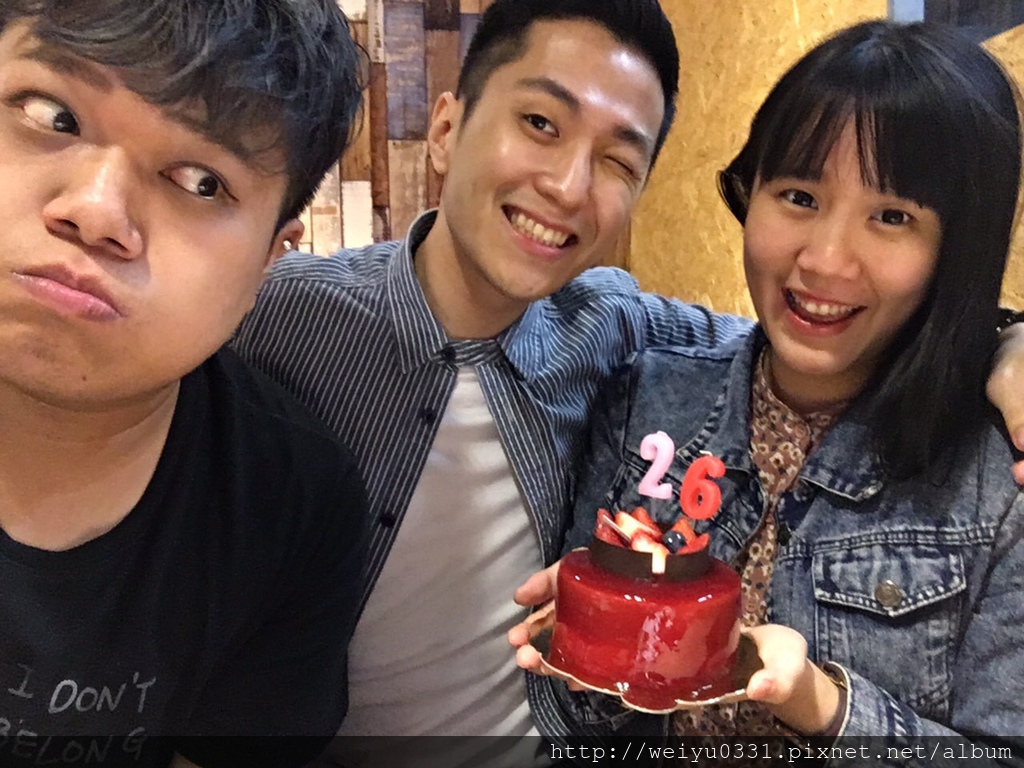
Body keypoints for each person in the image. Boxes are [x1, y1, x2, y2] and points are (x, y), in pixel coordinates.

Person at [232, 0, 1024, 753]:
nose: (568, 186)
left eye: (617, 159)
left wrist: (1003, 343)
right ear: (444, 128)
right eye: (540, 123)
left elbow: (800, 341)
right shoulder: (270, 318)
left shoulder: (611, 334)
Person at [514, 18, 1024, 761]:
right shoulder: (647, 400)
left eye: (892, 217)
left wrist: (824, 703)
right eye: (799, 196)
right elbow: (577, 722)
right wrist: (593, 637)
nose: (824, 261)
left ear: (955, 248)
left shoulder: (998, 480)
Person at [0, 2, 368, 767]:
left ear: (268, 263)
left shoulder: (291, 503)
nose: (97, 212)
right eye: (52, 116)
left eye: (201, 182)